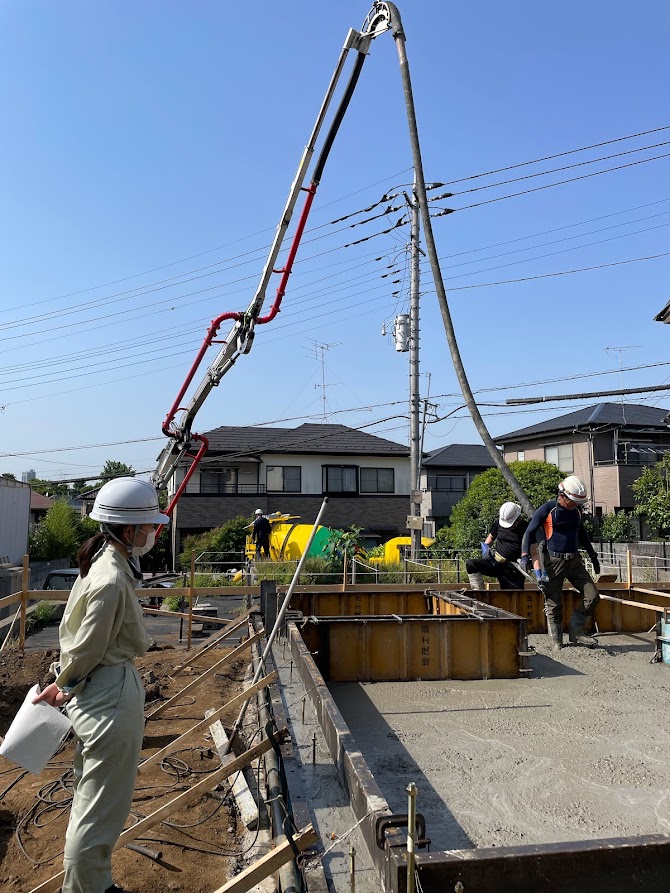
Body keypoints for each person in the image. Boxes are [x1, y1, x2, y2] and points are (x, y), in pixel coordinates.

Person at [33, 477, 169, 893]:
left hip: (101, 691)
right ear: (128, 531)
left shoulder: (103, 562)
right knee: (99, 810)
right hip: (109, 697)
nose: (152, 533)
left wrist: (65, 684)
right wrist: (62, 684)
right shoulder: (110, 578)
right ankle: (88, 889)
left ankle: (90, 883)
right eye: (148, 526)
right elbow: (88, 647)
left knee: (93, 801)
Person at [520, 475, 601, 653]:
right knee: (554, 603)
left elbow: (583, 535)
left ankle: (576, 631)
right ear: (562, 495)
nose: (574, 505)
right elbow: (529, 532)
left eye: (576, 503)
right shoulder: (548, 509)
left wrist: (593, 556)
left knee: (592, 596)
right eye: (572, 501)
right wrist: (525, 555)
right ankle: (557, 641)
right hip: (553, 561)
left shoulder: (577, 512)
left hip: (574, 562)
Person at [466, 502, 528, 591]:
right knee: (471, 564)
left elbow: (533, 549)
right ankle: (478, 592)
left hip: (512, 568)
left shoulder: (526, 528)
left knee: (512, 598)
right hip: (495, 562)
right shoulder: (499, 523)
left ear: (518, 519)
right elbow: (491, 537)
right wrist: (486, 548)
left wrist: (526, 560)